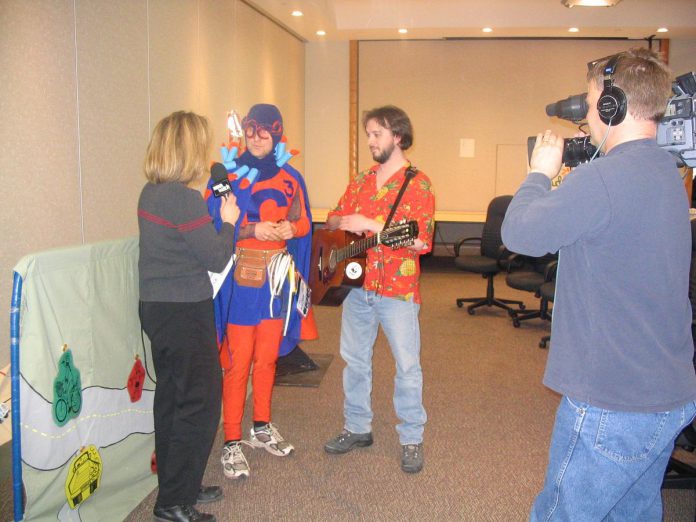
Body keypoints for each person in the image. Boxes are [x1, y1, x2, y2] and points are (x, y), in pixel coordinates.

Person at [501, 48, 696, 520]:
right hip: (664, 393)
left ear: (612, 107)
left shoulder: (603, 180)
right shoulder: (669, 173)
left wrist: (538, 174)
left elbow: (518, 232)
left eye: (590, 105)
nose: (586, 117)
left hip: (613, 402)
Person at [138, 111, 240, 522]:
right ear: (187, 148)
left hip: (160, 310)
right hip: (182, 312)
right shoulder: (181, 198)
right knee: (199, 403)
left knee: (173, 400)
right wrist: (229, 222)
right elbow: (215, 256)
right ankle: (173, 505)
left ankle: (179, 486)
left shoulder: (152, 192)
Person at [206, 103, 316, 480]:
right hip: (241, 282)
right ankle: (232, 441)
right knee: (238, 365)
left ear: (276, 134)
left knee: (267, 360)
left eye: (263, 132)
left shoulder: (291, 177)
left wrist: (290, 229)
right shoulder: (226, 175)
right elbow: (212, 217)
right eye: (250, 131)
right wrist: (253, 230)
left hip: (277, 280)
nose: (255, 138)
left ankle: (262, 426)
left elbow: (304, 220)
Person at [323, 105, 435, 473]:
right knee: (354, 360)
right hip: (357, 284)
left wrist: (370, 223)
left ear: (397, 136)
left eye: (377, 134)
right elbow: (332, 220)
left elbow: (421, 241)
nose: (370, 141)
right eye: (368, 134)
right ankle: (357, 428)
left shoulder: (418, 184)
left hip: (398, 290)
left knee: (407, 366)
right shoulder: (360, 180)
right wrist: (346, 221)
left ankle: (411, 438)